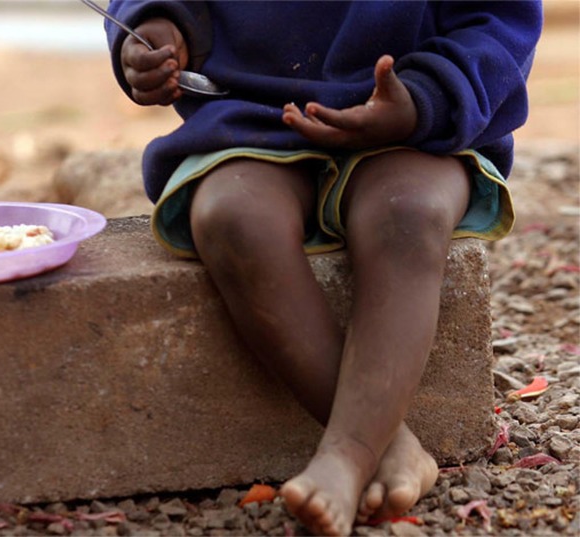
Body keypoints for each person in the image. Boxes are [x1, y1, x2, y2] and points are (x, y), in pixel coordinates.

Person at [103, 1, 542, 535]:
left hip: (411, 122)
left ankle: (348, 453)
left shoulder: (417, 108)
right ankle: (388, 443)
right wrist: (158, 24)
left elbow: (499, 21)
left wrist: (425, 96)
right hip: (250, 117)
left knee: (409, 214)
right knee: (233, 218)